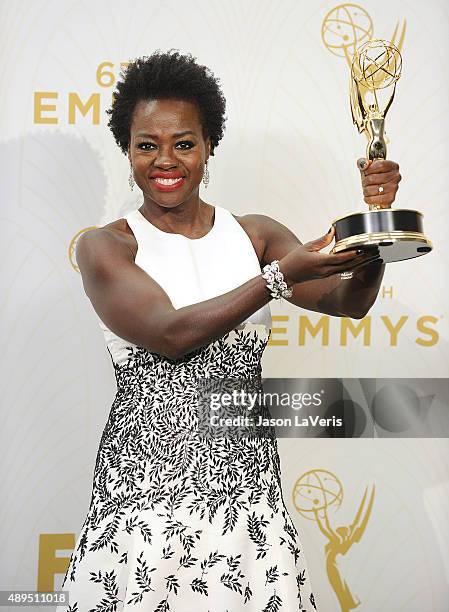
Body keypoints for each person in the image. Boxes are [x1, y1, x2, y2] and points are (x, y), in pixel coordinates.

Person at [58, 50, 401, 612]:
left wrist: (375, 224)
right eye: (147, 145)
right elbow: (169, 334)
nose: (165, 160)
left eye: (184, 143)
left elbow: (349, 301)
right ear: (128, 150)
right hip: (143, 505)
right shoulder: (106, 245)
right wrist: (274, 281)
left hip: (249, 506)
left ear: (209, 145)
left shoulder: (256, 235)